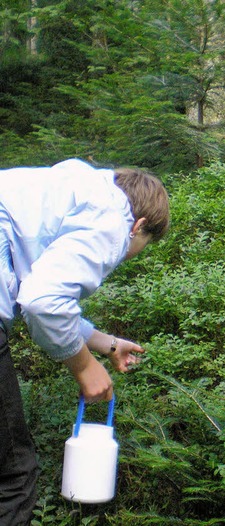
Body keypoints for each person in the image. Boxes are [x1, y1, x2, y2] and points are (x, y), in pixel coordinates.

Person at [0, 158, 170, 525]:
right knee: (13, 474)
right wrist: (84, 366)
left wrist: (106, 344)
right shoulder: (114, 222)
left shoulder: (79, 190)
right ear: (138, 226)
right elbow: (43, 302)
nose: (133, 253)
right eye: (144, 243)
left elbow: (36, 295)